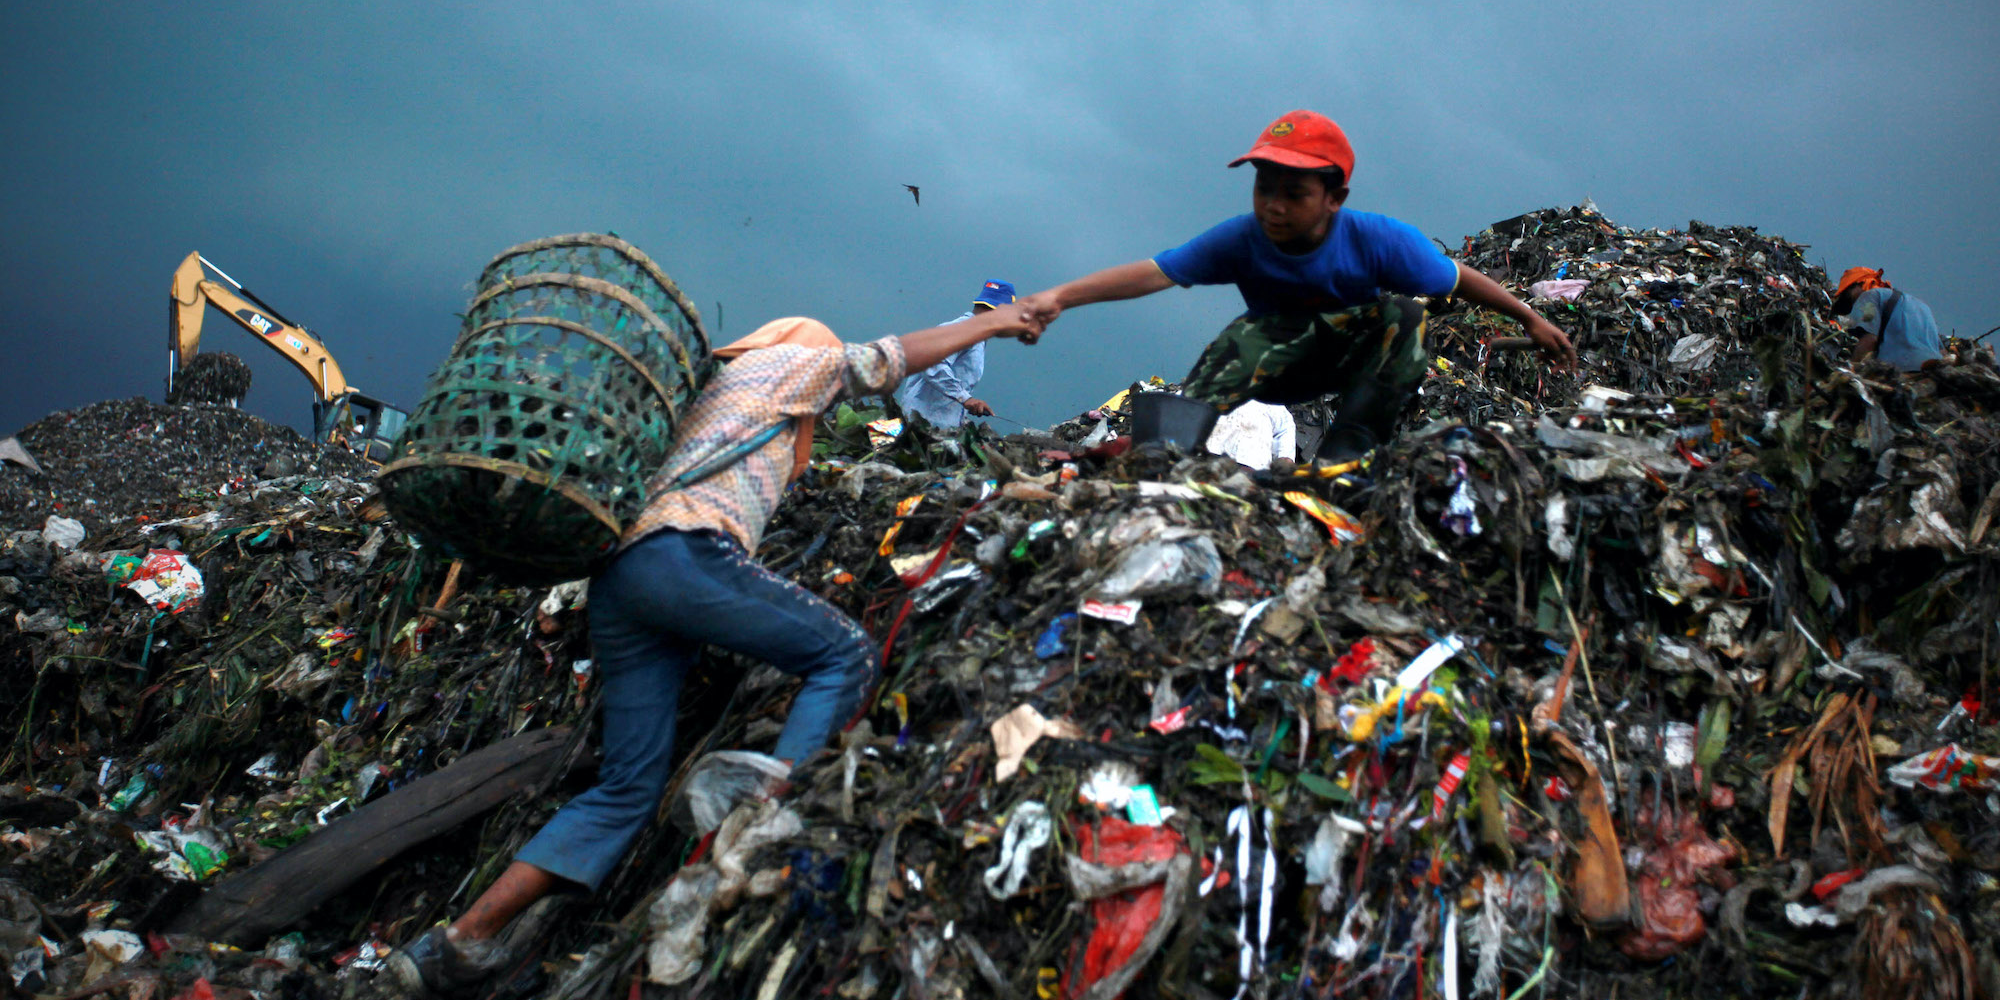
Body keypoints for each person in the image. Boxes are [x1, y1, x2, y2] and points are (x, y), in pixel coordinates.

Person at [390, 306, 1043, 995]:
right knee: (844, 652)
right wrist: (992, 325)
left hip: (619, 583)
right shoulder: (789, 360)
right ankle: (766, 821)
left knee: (626, 789)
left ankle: (459, 942)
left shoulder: (707, 389)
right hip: (684, 556)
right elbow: (886, 359)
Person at [1017, 110, 1576, 467]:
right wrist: (1060, 297)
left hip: (1352, 364)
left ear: (1335, 197)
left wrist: (1529, 318)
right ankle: (1164, 450)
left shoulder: (1380, 241)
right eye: (1264, 189)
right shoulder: (1242, 240)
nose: (1273, 207)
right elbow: (1153, 272)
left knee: (1404, 315)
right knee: (1245, 333)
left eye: (1294, 193)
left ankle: (1347, 452)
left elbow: (1459, 279)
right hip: (1276, 369)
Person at [893, 279, 1015, 427]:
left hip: (940, 427)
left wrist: (964, 411)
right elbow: (933, 366)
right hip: (921, 426)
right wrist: (966, 399)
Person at [1834, 267, 1943, 372]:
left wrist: (1851, 368)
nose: (1852, 305)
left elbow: (1870, 339)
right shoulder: (1922, 307)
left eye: (1847, 296)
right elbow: (1942, 350)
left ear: (1859, 284)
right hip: (1932, 372)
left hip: (1900, 368)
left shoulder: (1869, 296)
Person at [1205, 398, 1295, 470]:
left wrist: (1285, 457)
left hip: (1252, 466)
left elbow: (1285, 429)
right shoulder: (1214, 393)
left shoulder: (1270, 402)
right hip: (1211, 459)